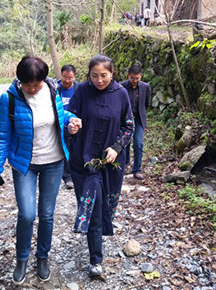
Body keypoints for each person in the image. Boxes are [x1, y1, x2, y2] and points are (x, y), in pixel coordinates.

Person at [0, 55, 82, 285]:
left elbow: (59, 116)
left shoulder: (52, 89)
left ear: (43, 80)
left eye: (36, 84)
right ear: (20, 80)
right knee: (27, 214)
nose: (32, 89)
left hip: (54, 161)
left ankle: (42, 257)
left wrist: (73, 120)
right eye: (28, 85)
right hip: (24, 165)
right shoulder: (7, 99)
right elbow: (2, 137)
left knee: (47, 214)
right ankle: (22, 259)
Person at [67, 54, 134, 278]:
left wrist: (116, 147)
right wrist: (71, 126)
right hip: (84, 161)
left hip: (110, 163)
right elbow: (69, 117)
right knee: (93, 209)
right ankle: (96, 260)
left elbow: (129, 126)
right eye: (94, 75)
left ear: (112, 73)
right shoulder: (82, 91)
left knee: (105, 206)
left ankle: (97, 243)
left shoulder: (121, 94)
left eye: (103, 75)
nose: (99, 80)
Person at [120, 65, 151, 180]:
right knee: (125, 142)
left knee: (138, 143)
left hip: (138, 119)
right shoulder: (121, 86)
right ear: (128, 76)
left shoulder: (145, 87)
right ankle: (124, 164)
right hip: (124, 119)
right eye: (133, 78)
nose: (135, 81)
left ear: (140, 76)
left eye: (137, 78)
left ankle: (137, 170)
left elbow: (147, 103)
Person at [59, 64, 80, 190]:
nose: (67, 81)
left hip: (75, 123)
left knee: (75, 149)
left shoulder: (79, 88)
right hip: (60, 124)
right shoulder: (54, 88)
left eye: (70, 78)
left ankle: (76, 174)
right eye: (64, 77)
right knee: (64, 149)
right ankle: (67, 177)